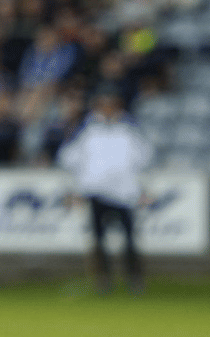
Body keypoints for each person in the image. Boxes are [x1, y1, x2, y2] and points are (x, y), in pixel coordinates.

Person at [56, 84, 154, 295]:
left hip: (124, 193)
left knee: (130, 239)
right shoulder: (87, 129)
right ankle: (103, 280)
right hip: (97, 192)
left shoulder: (129, 129)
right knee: (99, 239)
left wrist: (129, 179)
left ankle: (134, 279)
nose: (107, 108)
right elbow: (68, 157)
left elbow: (145, 157)